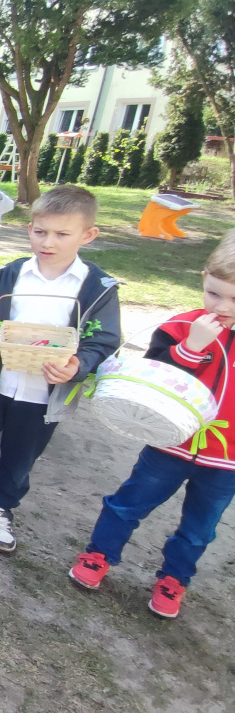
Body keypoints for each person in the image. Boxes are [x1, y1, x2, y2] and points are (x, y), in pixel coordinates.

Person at [0, 184, 121, 553]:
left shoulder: (97, 288)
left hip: (43, 396)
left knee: (20, 459)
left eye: (62, 234)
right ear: (30, 228)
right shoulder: (8, 274)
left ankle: (1, 507)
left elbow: (104, 340)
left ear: (88, 235)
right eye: (40, 231)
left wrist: (78, 365)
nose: (48, 242)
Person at [70, 231, 234, 619]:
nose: (222, 307)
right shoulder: (182, 326)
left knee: (200, 528)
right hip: (168, 442)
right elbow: (153, 373)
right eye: (213, 294)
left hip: (226, 459)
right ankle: (98, 554)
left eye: (234, 298)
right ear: (203, 279)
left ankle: (174, 579)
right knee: (130, 503)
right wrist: (191, 348)